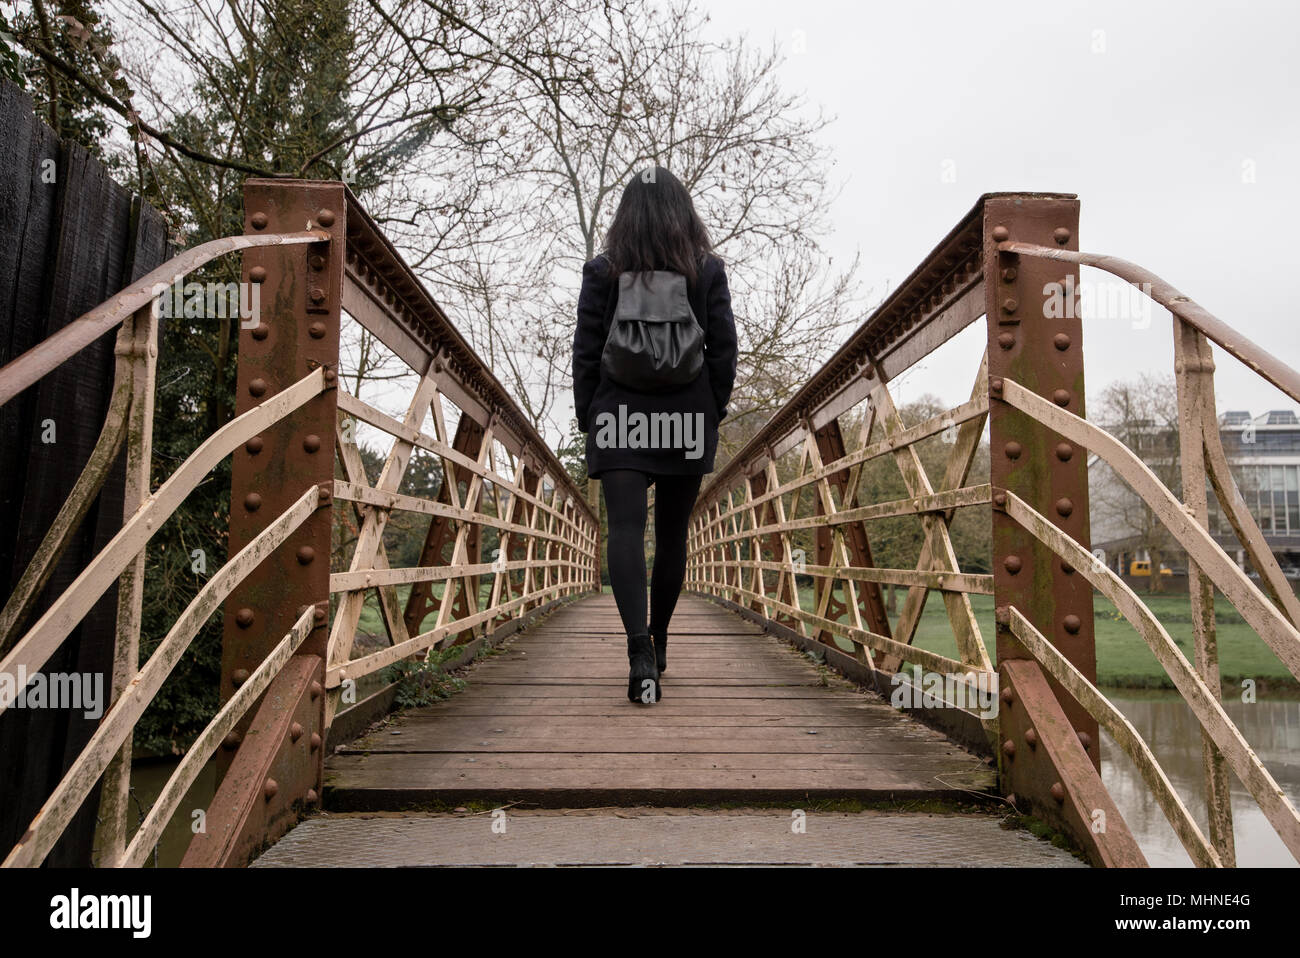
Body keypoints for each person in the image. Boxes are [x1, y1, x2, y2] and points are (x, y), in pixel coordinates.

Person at [572, 166, 738, 705]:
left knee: (623, 529)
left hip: (618, 414)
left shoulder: (602, 272)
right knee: (671, 537)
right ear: (682, 214)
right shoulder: (706, 271)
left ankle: (638, 649)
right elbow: (724, 353)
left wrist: (590, 419)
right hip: (686, 416)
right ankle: (661, 640)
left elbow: (585, 354)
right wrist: (709, 413)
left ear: (625, 217)